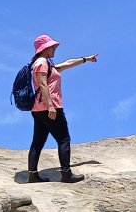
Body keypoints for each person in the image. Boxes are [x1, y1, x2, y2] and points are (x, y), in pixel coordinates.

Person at [26, 34, 98, 183]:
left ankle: (32, 175)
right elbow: (43, 84)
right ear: (45, 48)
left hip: (38, 109)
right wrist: (51, 106)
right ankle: (66, 174)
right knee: (64, 139)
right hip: (50, 108)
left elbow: (67, 63)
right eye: (53, 46)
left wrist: (85, 59)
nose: (55, 49)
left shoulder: (45, 63)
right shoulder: (42, 62)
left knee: (38, 141)